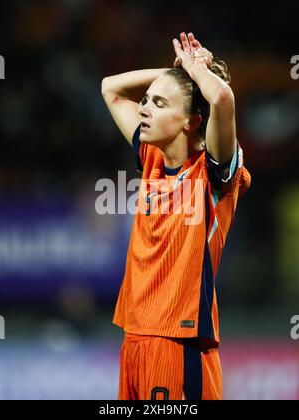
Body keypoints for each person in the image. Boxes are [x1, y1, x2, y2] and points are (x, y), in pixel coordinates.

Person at [101, 32, 251, 400]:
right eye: (147, 100)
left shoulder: (213, 174)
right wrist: (177, 72)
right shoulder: (151, 159)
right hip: (135, 337)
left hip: (180, 343)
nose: (144, 109)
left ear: (190, 121)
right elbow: (111, 88)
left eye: (159, 102)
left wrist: (198, 73)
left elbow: (221, 97)